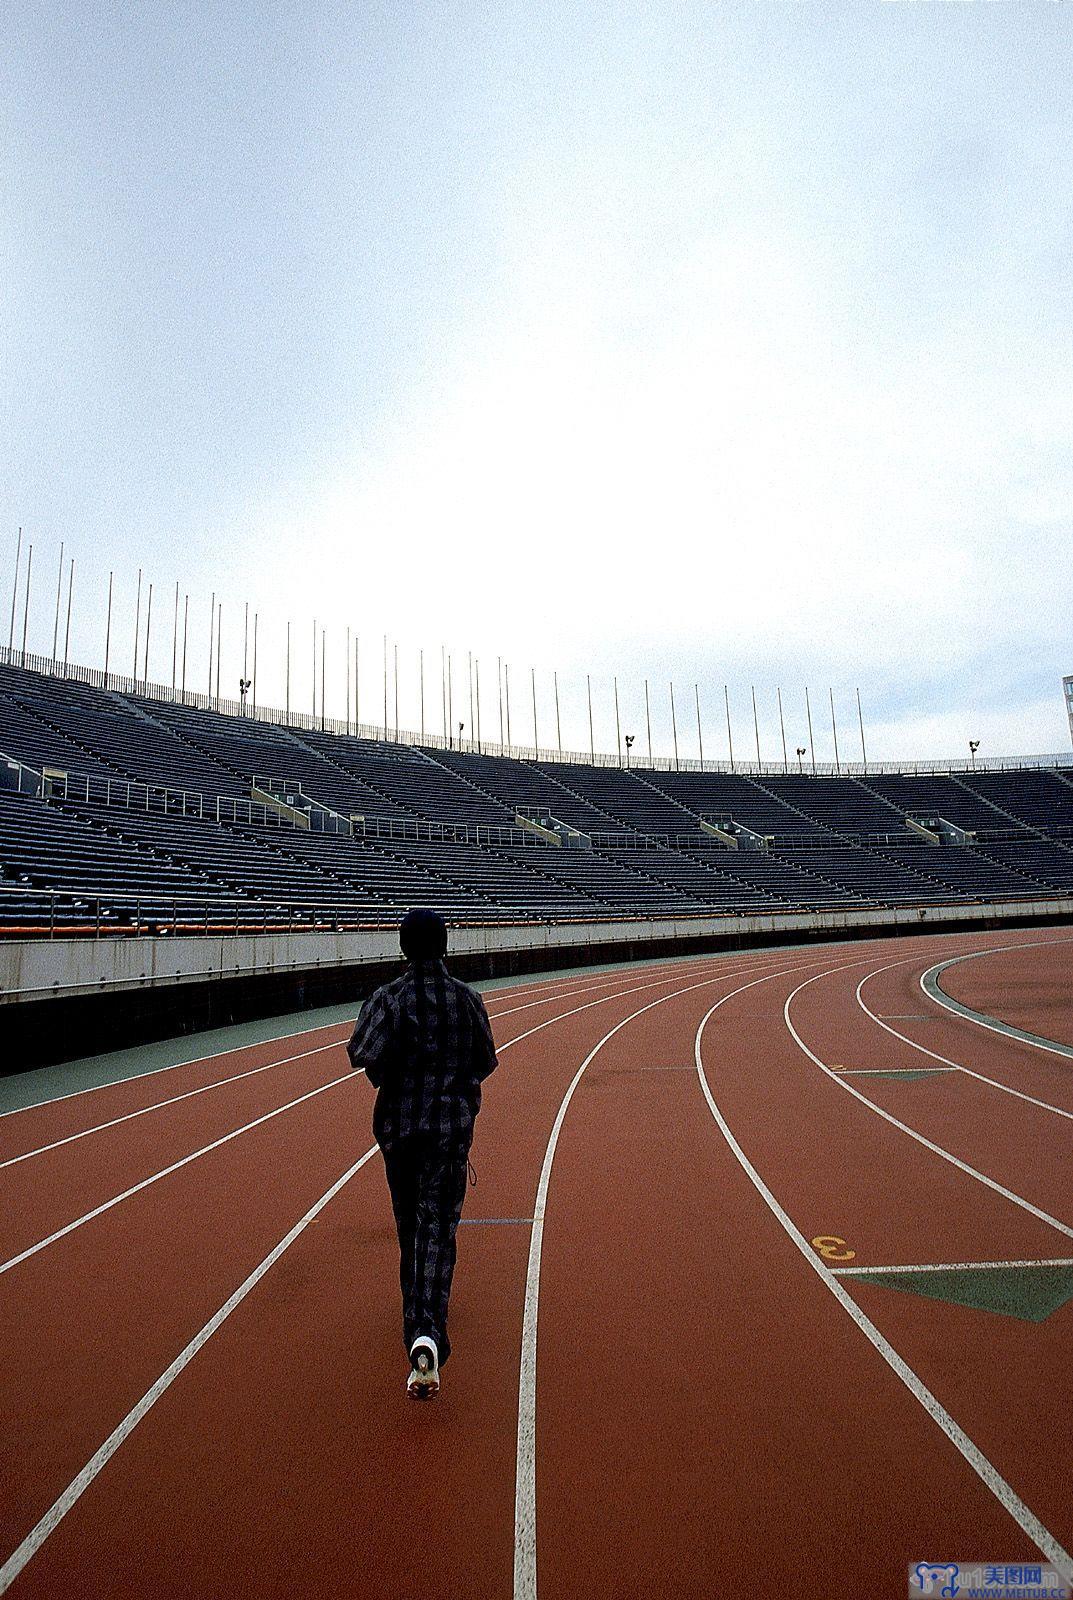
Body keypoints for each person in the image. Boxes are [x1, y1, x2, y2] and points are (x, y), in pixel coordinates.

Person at [347, 908, 498, 1399]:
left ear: (403, 947)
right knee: (439, 1227)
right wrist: (457, 1085)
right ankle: (428, 1328)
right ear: (446, 944)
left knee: (409, 1226)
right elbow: (486, 1060)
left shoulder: (387, 1000)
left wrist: (392, 1076)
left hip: (400, 1131)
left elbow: (361, 1053)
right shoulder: (466, 1000)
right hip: (449, 1133)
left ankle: (418, 1323)